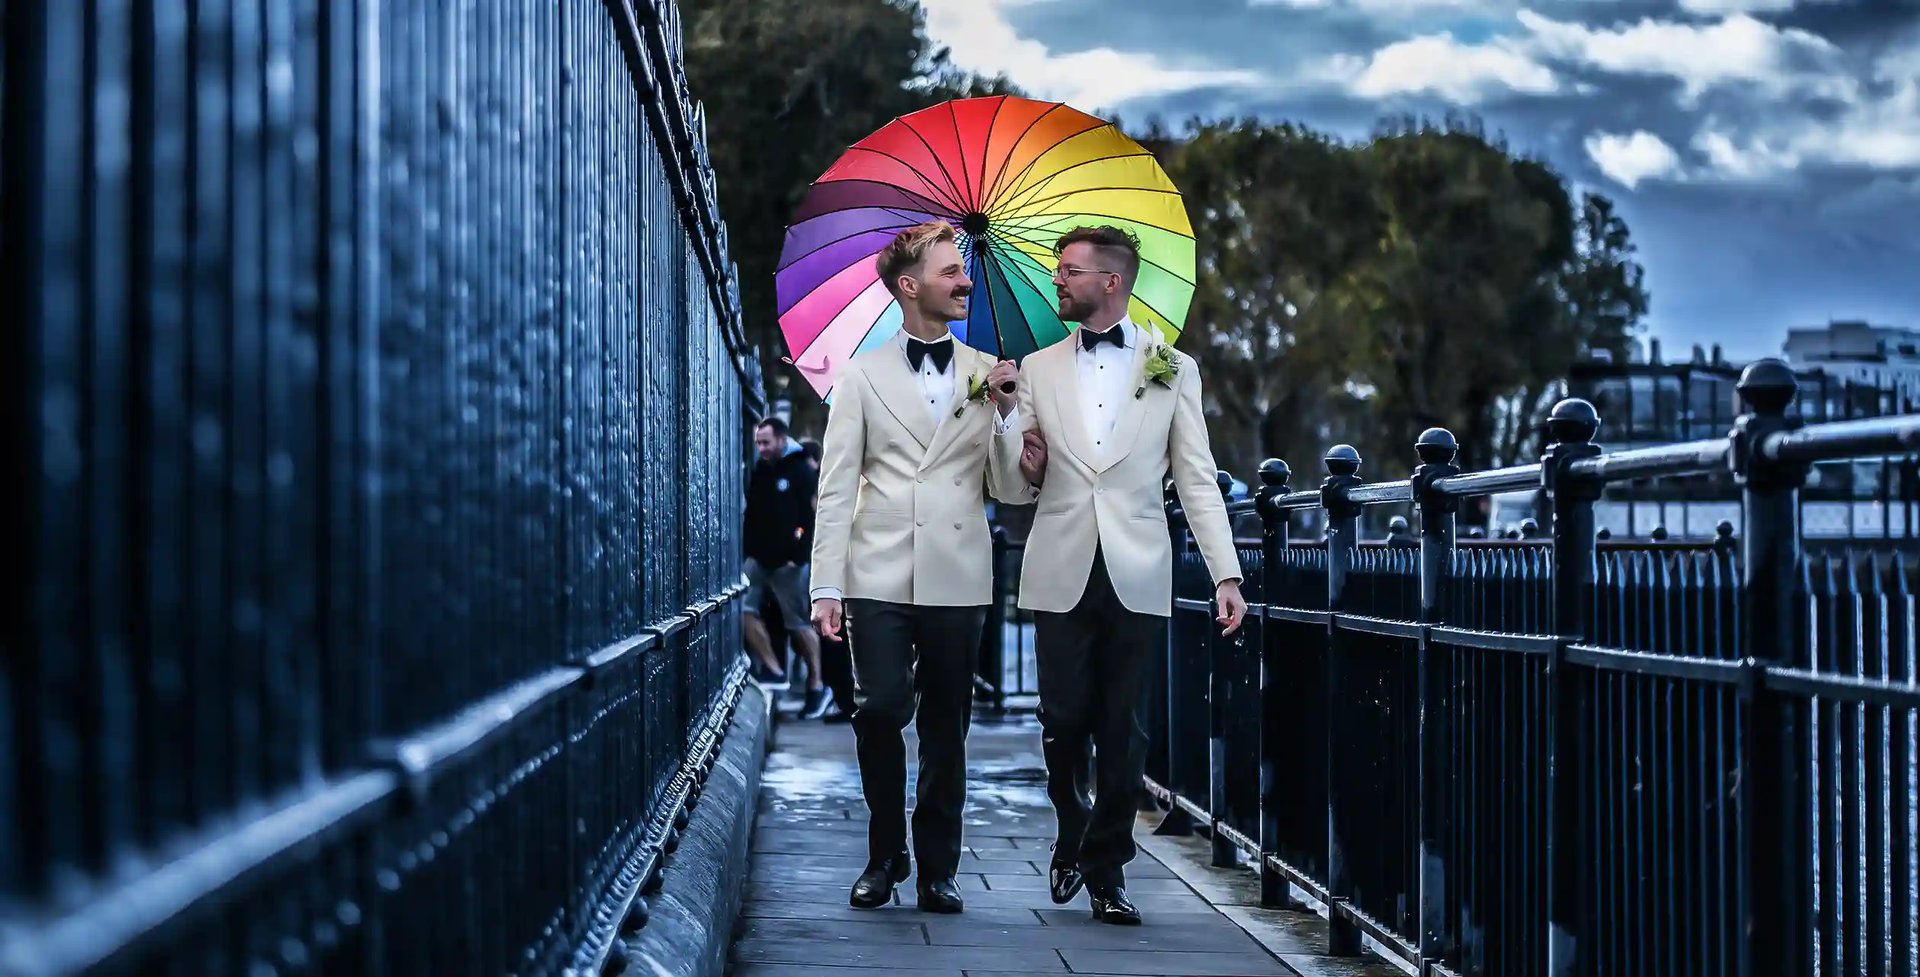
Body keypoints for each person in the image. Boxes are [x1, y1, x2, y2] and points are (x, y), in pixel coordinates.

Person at [1012, 225, 1245, 926]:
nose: (1058, 282)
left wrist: (1224, 574)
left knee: (1126, 729)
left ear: (1111, 282)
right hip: (1059, 564)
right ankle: (1071, 827)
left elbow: (1197, 480)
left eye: (1069, 272)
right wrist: (1016, 448)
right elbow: (1019, 481)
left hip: (1138, 567)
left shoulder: (1175, 367)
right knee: (1062, 720)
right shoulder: (1035, 367)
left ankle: (1106, 867)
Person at [809, 221, 1028, 914]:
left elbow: (1013, 488)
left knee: (946, 725)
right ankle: (884, 852)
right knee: (877, 710)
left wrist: (1005, 414)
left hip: (958, 570)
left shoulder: (987, 370)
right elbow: (836, 486)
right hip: (877, 569)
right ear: (910, 286)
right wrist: (825, 584)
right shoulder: (860, 378)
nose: (964, 281)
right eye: (948, 271)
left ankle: (937, 864)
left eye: (963, 272)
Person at [743, 417, 833, 719]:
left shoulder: (800, 470)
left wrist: (800, 554)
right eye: (759, 442)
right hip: (759, 558)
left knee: (798, 625)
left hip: (789, 563)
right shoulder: (762, 469)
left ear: (782, 440)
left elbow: (812, 515)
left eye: (766, 442)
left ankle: (816, 684)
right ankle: (773, 668)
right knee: (744, 611)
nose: (762, 448)